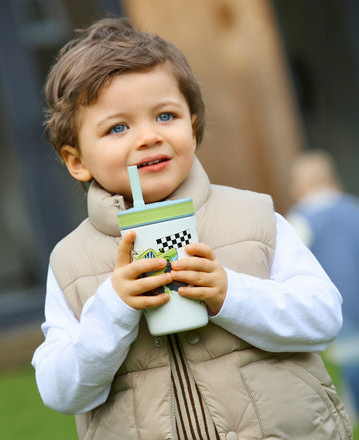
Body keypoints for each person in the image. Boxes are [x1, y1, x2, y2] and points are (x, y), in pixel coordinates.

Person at [32, 18, 353, 440]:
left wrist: (230, 294)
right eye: (118, 127)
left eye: (165, 115)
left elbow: (323, 316)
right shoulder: (71, 263)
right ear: (76, 160)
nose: (148, 136)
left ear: (193, 124)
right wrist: (113, 308)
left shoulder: (254, 218)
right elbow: (60, 390)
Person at [288, 149, 359, 423]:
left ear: (299, 188)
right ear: (334, 181)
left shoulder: (301, 219)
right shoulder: (353, 208)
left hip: (338, 308)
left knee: (348, 366)